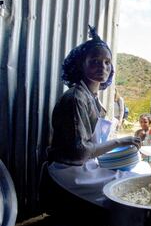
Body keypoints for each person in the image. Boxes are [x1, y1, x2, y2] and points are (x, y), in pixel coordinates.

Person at [45, 25, 141, 212]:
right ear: (81, 64)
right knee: (134, 188)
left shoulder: (90, 96)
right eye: (94, 61)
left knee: (140, 175)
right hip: (71, 173)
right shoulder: (75, 99)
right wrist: (122, 141)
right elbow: (80, 152)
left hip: (87, 167)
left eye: (107, 62)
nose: (102, 67)